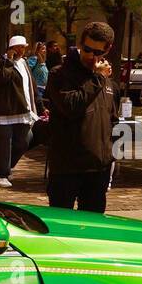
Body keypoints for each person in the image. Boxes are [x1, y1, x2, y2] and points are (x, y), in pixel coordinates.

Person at [44, 21, 118, 213]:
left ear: (107, 50)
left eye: (98, 52)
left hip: (97, 170)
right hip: (66, 169)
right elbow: (71, 106)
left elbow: (112, 120)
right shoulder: (59, 74)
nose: (91, 56)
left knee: (92, 233)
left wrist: (109, 156)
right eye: (87, 49)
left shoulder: (106, 81)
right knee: (62, 230)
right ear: (79, 45)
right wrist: (98, 79)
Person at [0, 34, 44, 188]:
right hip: (3, 113)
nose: (22, 50)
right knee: (3, 144)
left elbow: (32, 88)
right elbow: (2, 78)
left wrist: (41, 108)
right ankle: (1, 174)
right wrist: (9, 61)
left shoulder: (24, 63)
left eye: (23, 47)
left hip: (23, 111)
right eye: (19, 48)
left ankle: (6, 168)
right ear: (11, 48)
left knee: (24, 142)